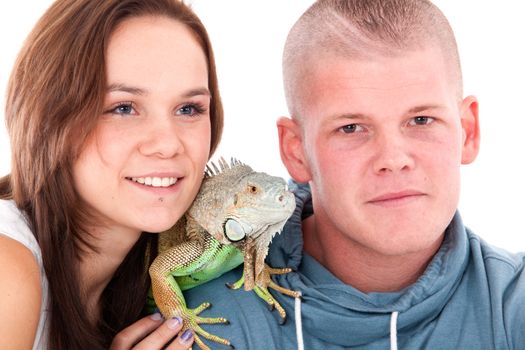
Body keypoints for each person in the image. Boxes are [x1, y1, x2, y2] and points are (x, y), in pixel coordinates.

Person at [181, 0, 525, 349]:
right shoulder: (200, 323)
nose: (393, 159)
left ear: (468, 131)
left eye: (421, 120)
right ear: (296, 151)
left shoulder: (516, 307)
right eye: (351, 128)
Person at [0, 0, 224, 348]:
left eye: (188, 108)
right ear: (50, 118)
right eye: (123, 108)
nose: (167, 145)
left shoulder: (159, 272)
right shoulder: (6, 267)